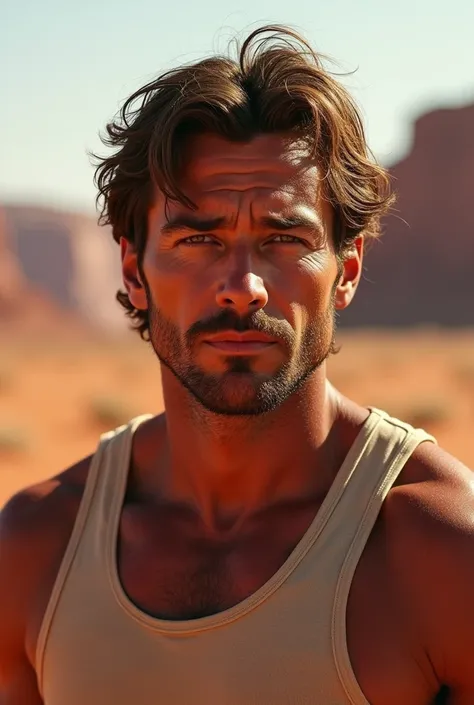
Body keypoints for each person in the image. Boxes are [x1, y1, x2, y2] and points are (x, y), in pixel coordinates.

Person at [0, 24, 471, 705]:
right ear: (134, 272)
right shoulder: (37, 547)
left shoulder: (441, 551)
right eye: (199, 238)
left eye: (284, 237)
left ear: (347, 271)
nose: (243, 286)